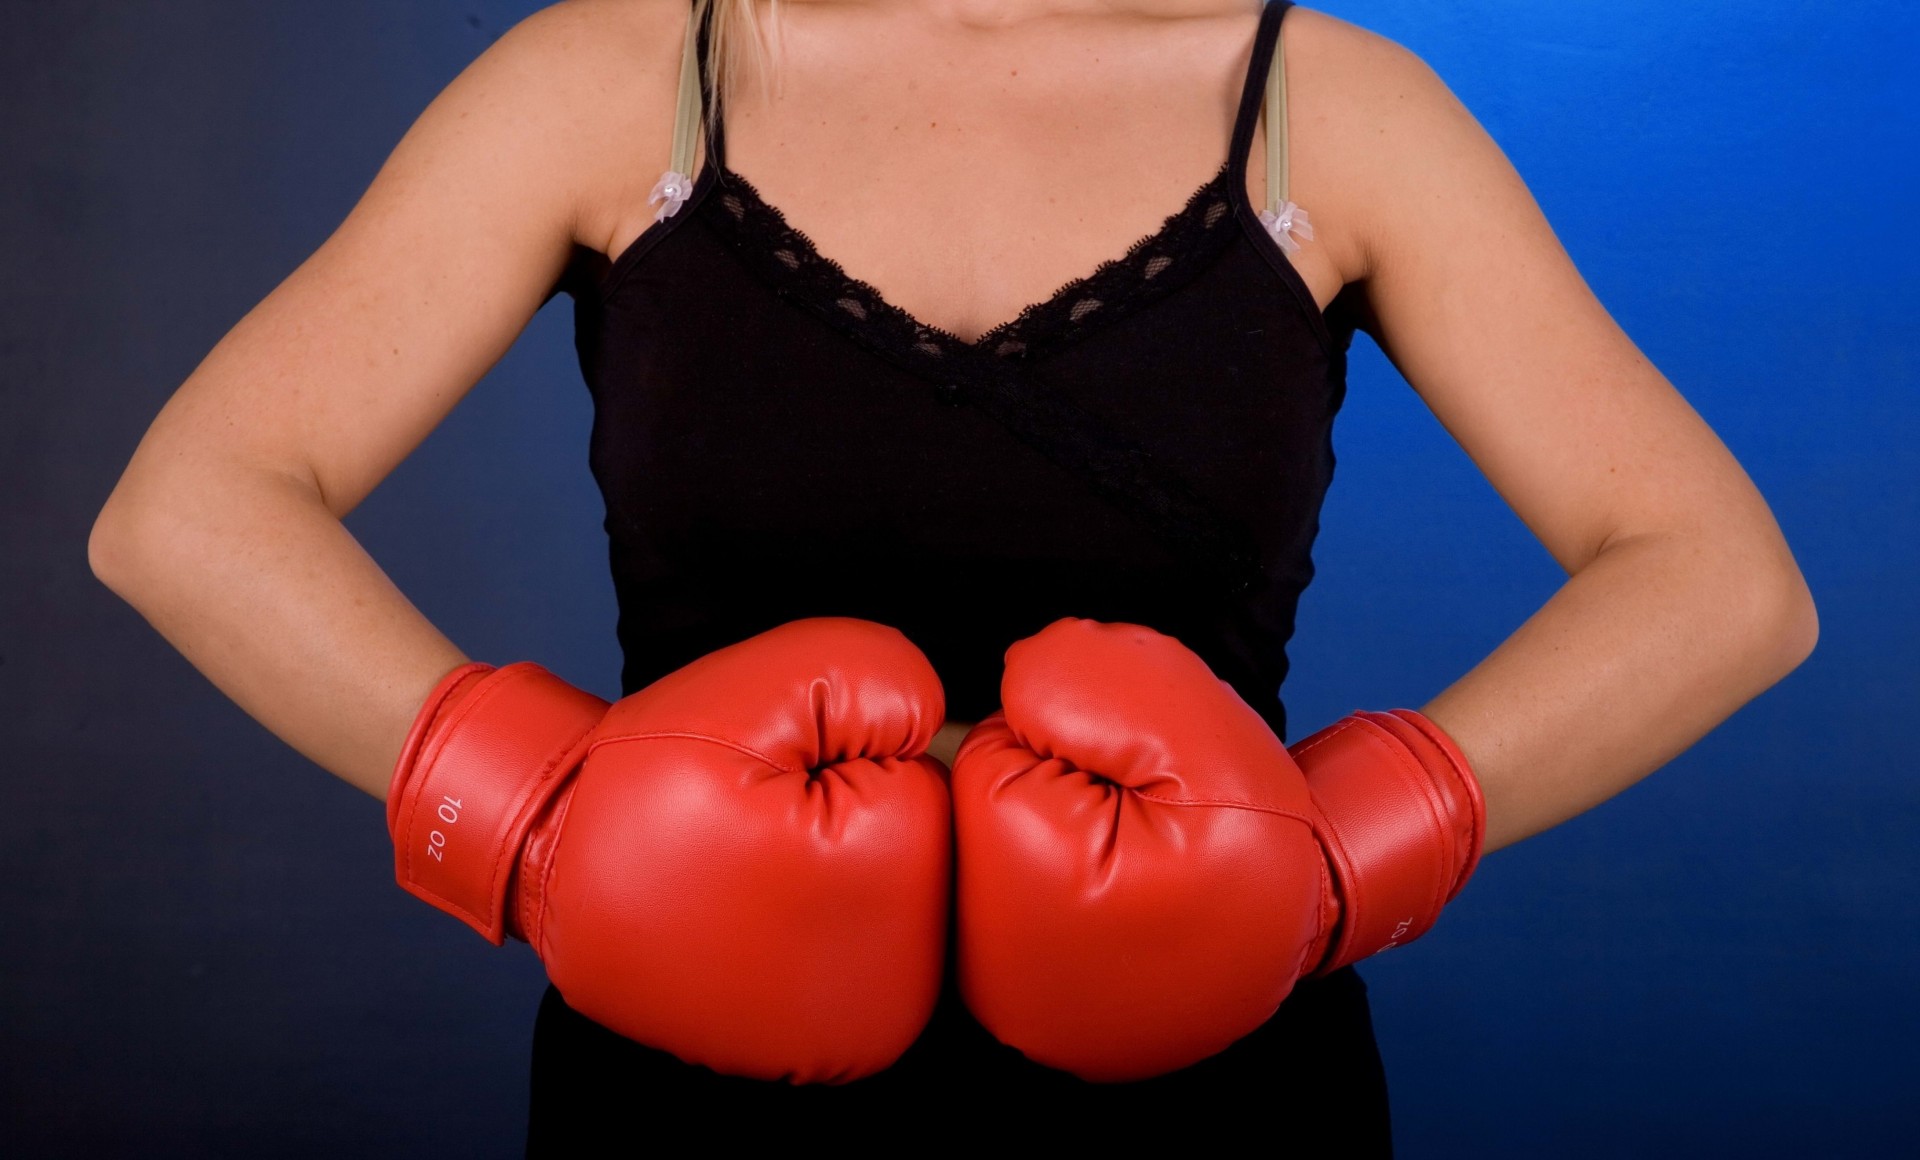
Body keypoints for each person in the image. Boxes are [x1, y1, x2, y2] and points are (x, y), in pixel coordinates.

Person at [87, 0, 1818, 1153]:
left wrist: (1342, 858)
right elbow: (191, 506)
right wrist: (545, 839)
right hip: (687, 1091)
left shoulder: (1319, 106)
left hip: (1217, 1082)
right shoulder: (623, 81)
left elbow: (1721, 579)